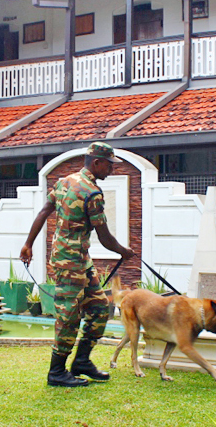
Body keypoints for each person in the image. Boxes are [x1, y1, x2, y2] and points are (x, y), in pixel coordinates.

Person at [20, 142, 135, 387]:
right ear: (96, 163)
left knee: (100, 308)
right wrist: (124, 252)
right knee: (69, 316)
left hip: (79, 260)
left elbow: (43, 212)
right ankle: (57, 372)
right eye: (109, 165)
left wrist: (28, 244)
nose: (111, 170)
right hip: (69, 263)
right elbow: (104, 237)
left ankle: (82, 361)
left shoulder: (65, 181)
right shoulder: (92, 193)